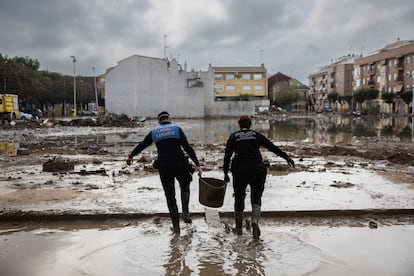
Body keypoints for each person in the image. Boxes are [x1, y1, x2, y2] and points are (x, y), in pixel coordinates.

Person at [127, 111, 201, 233]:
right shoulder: (176, 129)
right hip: (180, 164)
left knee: (170, 197)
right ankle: (186, 213)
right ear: (169, 119)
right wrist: (197, 163)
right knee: (185, 187)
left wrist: (131, 155)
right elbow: (187, 147)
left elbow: (142, 145)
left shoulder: (155, 132)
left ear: (159, 121)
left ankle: (176, 227)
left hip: (165, 166)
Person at [223, 115, 295, 239]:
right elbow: (272, 147)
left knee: (239, 198)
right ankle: (255, 221)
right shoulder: (256, 135)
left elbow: (227, 156)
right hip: (257, 169)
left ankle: (239, 229)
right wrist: (286, 157)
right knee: (256, 198)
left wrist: (225, 173)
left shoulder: (233, 136)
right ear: (250, 125)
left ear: (239, 125)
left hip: (240, 170)